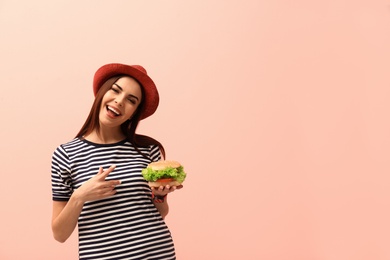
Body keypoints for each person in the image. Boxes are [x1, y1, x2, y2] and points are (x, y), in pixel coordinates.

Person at [51, 63, 182, 260]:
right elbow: (59, 234)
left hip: (157, 253)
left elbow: (160, 213)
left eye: (131, 100)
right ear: (102, 93)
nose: (120, 101)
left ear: (134, 112)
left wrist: (159, 195)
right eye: (116, 90)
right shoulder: (66, 155)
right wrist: (79, 196)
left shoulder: (148, 150)